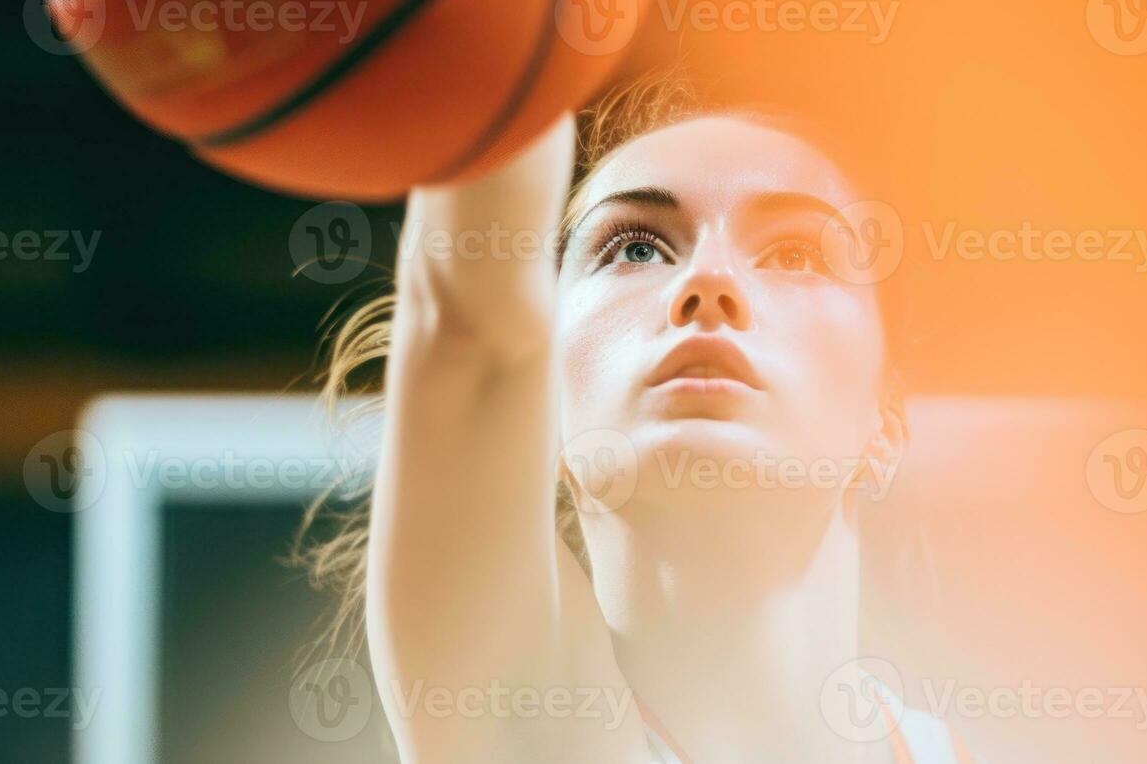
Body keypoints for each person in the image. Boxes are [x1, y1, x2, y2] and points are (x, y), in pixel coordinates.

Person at [301, 78, 984, 763]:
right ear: (543, 404)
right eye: (635, 247)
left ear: (885, 422)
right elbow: (469, 328)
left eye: (794, 254)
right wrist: (510, 6)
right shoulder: (529, 734)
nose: (708, 279)